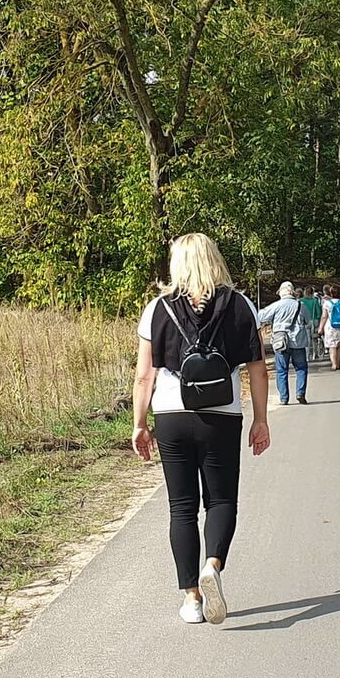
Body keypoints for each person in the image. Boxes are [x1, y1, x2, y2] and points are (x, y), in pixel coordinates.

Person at [132, 233, 271, 625]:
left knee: (182, 507)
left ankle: (192, 598)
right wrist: (261, 419)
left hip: (171, 415)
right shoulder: (240, 305)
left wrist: (139, 424)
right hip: (222, 416)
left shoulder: (157, 309)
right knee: (221, 500)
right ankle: (213, 564)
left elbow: (144, 376)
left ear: (177, 264)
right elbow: (258, 370)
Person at [260, 281, 311, 405]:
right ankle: (300, 393)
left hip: (281, 342)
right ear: (292, 292)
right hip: (298, 342)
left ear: (281, 293)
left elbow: (261, 316)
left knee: (281, 370)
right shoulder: (301, 306)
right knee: (301, 368)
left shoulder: (276, 305)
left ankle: (284, 398)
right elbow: (308, 321)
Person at [318, 283, 340, 371]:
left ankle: (334, 364)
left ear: (331, 293)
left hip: (330, 326)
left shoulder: (327, 303)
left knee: (332, 345)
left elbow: (324, 317)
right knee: (339, 345)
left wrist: (320, 328)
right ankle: (338, 362)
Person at [301, 286, 322, 361]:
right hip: (314, 321)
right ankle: (314, 354)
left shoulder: (301, 301)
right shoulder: (315, 301)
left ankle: (307, 356)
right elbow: (319, 313)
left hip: (305, 321)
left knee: (307, 339)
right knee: (314, 339)